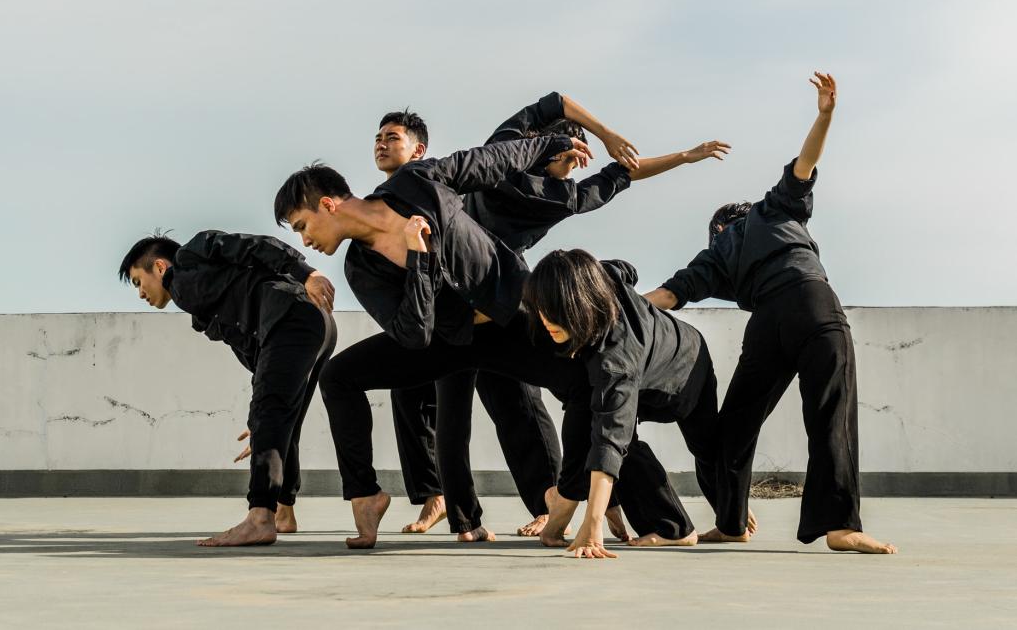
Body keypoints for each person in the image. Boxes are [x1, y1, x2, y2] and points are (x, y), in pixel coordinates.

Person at [379, 95, 731, 539]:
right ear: (564, 152)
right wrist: (683, 156)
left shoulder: (503, 147)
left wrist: (606, 134)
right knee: (552, 403)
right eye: (571, 162)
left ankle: (469, 521)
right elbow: (625, 172)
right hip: (501, 307)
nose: (573, 171)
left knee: (458, 414)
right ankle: (574, 502)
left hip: (452, 301)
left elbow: (556, 102)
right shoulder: (558, 196)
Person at [275, 134, 596, 548]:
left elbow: (489, 160)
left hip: (507, 318)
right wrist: (419, 259)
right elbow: (413, 334)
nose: (305, 242)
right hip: (444, 340)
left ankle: (576, 495)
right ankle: (366, 496)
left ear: (328, 204)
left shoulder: (416, 182)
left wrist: (551, 143)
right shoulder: (361, 269)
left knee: (585, 381)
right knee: (339, 376)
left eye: (302, 226)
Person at [644, 73, 897, 554]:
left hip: (767, 325)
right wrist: (825, 115)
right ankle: (841, 526)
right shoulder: (771, 210)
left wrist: (600, 303)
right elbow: (806, 164)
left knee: (734, 425)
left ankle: (732, 521)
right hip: (812, 303)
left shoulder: (714, 256)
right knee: (830, 415)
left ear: (717, 228)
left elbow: (666, 296)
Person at [118, 231, 336, 546]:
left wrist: (309, 275)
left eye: (139, 281)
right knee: (281, 420)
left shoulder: (192, 254)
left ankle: (260, 517)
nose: (140, 293)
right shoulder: (202, 307)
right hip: (309, 326)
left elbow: (256, 246)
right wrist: (259, 416)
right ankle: (283, 512)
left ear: (160, 267)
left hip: (294, 313)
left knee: (271, 415)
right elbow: (257, 355)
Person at [522, 249, 724, 558]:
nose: (547, 319)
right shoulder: (596, 282)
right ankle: (563, 512)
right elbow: (624, 269)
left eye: (556, 310)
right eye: (542, 309)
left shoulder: (615, 357)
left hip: (683, 375)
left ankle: (676, 530)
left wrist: (593, 525)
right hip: (660, 356)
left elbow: (609, 438)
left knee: (628, 439)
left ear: (579, 304)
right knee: (585, 416)